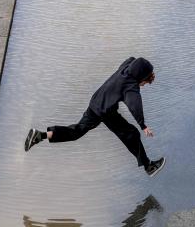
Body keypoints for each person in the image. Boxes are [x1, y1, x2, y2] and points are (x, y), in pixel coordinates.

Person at [24, 57, 165, 177]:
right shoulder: (130, 86)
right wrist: (143, 126)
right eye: (145, 82)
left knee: (77, 131)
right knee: (131, 133)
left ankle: (40, 136)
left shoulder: (125, 68)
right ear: (140, 77)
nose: (144, 85)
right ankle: (149, 167)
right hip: (104, 112)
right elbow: (135, 105)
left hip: (97, 104)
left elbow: (131, 59)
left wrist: (138, 64)